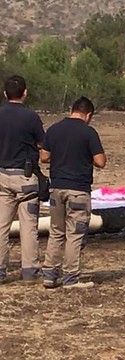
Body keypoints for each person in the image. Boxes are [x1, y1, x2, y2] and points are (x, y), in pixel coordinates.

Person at [40, 96, 106, 289]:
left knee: (56, 232)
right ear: (88, 115)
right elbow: (101, 161)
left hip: (56, 188)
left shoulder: (54, 129)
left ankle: (49, 275)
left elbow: (44, 157)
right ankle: (71, 277)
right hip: (78, 190)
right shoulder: (88, 133)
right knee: (75, 234)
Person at [0, 75, 45, 282]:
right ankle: (30, 271)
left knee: (2, 227)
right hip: (25, 178)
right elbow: (42, 145)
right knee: (28, 227)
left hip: (2, 176)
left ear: (5, 94)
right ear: (25, 93)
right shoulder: (31, 117)